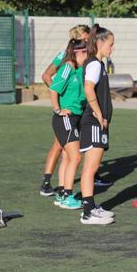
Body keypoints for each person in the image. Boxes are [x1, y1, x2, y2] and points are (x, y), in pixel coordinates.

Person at [39, 25, 112, 195]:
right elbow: (47, 77)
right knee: (62, 147)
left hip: (78, 111)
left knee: (72, 152)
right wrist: (61, 102)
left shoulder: (88, 59)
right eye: (86, 39)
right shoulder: (67, 59)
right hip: (67, 113)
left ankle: (68, 187)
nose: (89, 42)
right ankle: (48, 183)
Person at [79, 24, 116, 225]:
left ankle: (91, 206)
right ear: (100, 43)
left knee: (93, 168)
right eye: (111, 44)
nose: (112, 48)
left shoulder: (99, 65)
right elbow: (88, 88)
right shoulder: (94, 64)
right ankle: (87, 212)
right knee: (90, 169)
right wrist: (99, 113)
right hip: (93, 122)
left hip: (98, 122)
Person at [49, 39, 88, 210]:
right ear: (78, 52)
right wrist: (58, 110)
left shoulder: (81, 69)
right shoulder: (68, 67)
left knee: (67, 156)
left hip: (76, 118)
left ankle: (61, 193)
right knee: (76, 157)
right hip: (65, 118)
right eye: (85, 53)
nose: (87, 56)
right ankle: (68, 195)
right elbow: (53, 89)